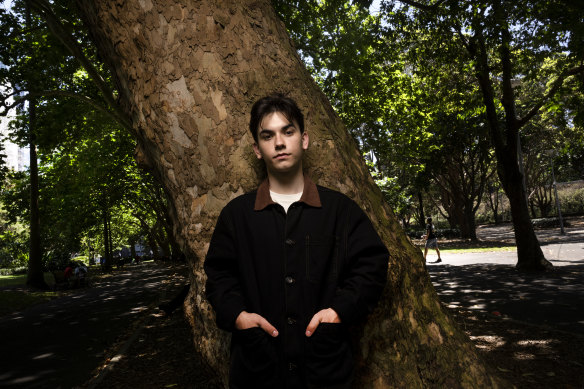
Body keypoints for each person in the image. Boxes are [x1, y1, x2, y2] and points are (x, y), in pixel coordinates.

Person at [204, 93, 389, 389]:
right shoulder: (236, 216)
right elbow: (219, 277)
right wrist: (238, 316)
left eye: (287, 131)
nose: (279, 142)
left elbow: (373, 264)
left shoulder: (340, 211)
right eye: (268, 135)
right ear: (257, 149)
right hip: (258, 372)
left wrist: (340, 310)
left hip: (325, 372)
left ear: (303, 140)